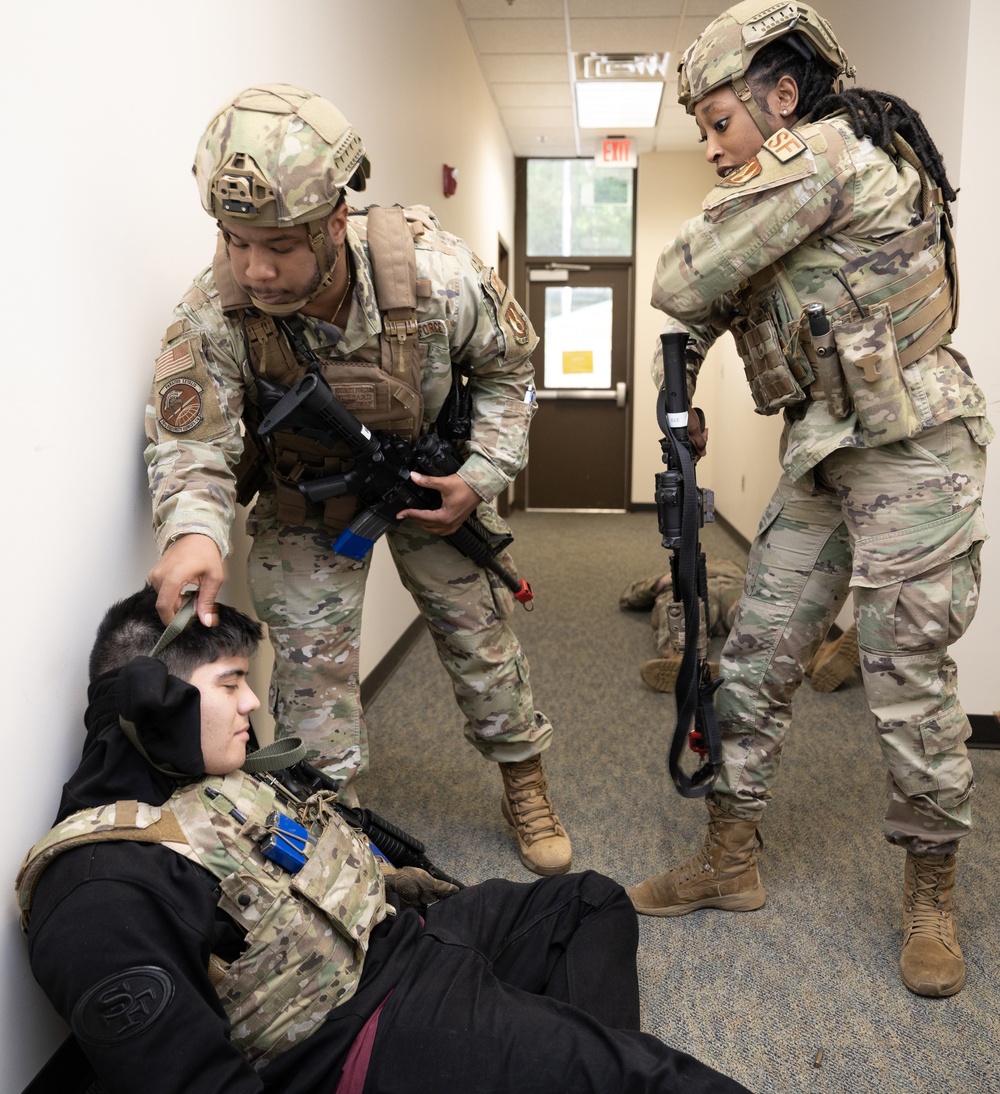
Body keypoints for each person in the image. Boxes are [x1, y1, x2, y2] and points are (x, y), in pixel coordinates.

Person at [15, 588, 750, 1094]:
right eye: (232, 682)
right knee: (643, 1078)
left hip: (398, 942)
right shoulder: (98, 894)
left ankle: (541, 1064)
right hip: (360, 1034)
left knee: (587, 901)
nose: (250, 703)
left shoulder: (209, 780)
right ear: (153, 699)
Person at [629, 0, 991, 999]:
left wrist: (695, 305)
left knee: (904, 669)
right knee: (753, 656)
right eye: (701, 129)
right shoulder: (783, 188)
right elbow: (721, 299)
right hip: (825, 446)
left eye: (719, 122)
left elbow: (683, 273)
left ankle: (929, 888)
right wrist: (681, 385)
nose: (710, 147)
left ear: (782, 97)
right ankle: (729, 857)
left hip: (913, 440)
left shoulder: (823, 156)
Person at [143, 84, 571, 875]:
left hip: (427, 486)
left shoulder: (437, 275)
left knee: (478, 638)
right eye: (236, 241)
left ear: (335, 221)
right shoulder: (216, 311)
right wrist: (194, 531)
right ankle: (327, 820)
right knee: (310, 681)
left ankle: (524, 777)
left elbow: (512, 374)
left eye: (278, 245)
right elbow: (192, 441)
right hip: (304, 508)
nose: (255, 268)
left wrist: (478, 477)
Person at [621, 562, 860, 693]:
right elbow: (629, 597)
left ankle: (820, 658)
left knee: (759, 617)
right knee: (683, 608)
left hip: (731, 590)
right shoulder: (670, 570)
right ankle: (683, 661)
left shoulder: (729, 564)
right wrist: (663, 580)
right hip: (688, 589)